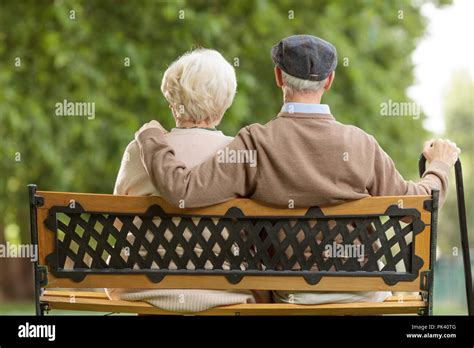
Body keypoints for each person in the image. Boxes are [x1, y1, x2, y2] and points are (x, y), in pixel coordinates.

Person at [133, 35, 461, 305]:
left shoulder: (255, 143)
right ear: (329, 80)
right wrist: (440, 165)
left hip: (289, 294)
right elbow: (418, 204)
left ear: (278, 77)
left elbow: (183, 191)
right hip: (363, 291)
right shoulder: (360, 144)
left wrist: (151, 137)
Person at [105, 48, 257, 312]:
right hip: (224, 288)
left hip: (142, 286)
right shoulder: (239, 154)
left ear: (173, 102)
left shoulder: (137, 150)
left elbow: (119, 221)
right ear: (223, 105)